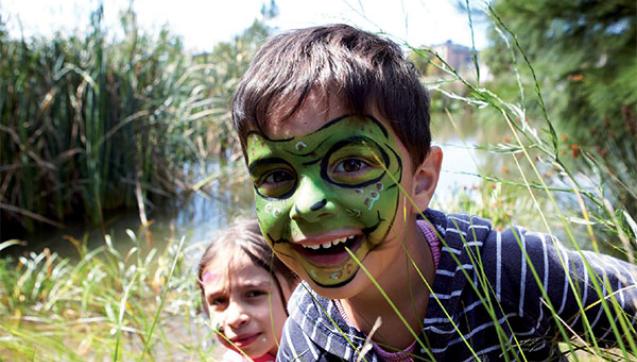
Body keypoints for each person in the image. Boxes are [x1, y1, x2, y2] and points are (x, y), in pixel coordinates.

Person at [231, 24, 637, 361]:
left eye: (352, 164)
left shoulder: (508, 272)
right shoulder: (307, 331)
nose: (307, 206)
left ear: (421, 181)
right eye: (276, 176)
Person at [197, 219, 299, 362]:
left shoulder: (332, 345)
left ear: (298, 287)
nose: (234, 319)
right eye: (218, 301)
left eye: (254, 294)